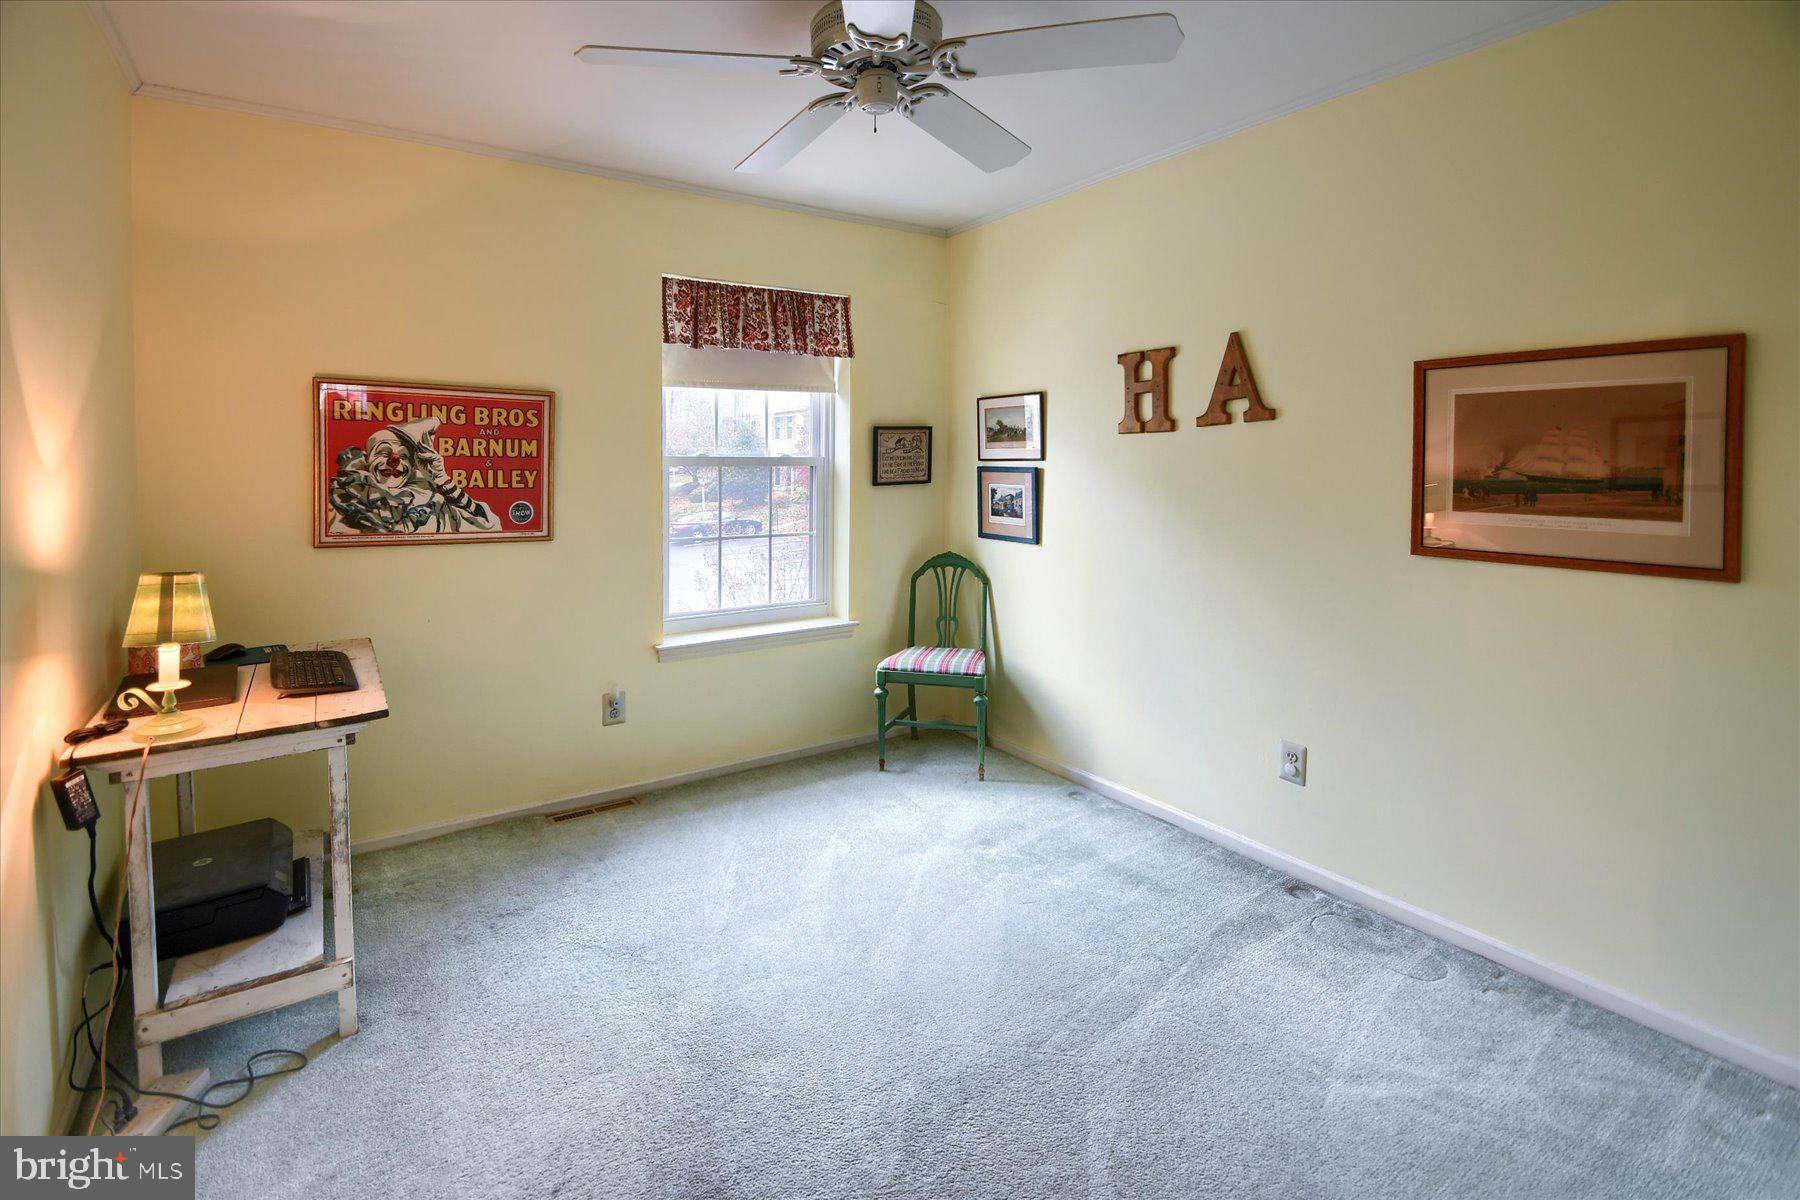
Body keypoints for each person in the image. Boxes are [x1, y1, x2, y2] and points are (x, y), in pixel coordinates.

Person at [327, 417, 497, 535]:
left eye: (403, 457)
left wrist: (442, 479)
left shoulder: (433, 508)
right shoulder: (341, 502)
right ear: (366, 459)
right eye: (383, 452)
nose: (394, 461)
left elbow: (490, 527)